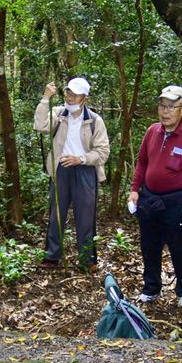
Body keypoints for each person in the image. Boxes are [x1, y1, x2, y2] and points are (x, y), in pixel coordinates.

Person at [129, 85, 182, 307]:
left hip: (178, 201)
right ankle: (151, 288)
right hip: (149, 198)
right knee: (149, 245)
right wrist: (135, 189)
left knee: (179, 246)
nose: (165, 111)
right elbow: (142, 162)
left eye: (172, 106)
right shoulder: (153, 131)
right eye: (162, 105)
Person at [34, 77, 110, 271]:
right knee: (56, 214)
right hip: (61, 169)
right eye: (68, 93)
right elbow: (40, 126)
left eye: (75, 95)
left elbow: (103, 151)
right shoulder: (59, 114)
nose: (70, 97)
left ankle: (87, 259)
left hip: (85, 171)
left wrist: (81, 158)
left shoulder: (94, 120)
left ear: (84, 98)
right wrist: (45, 98)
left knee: (85, 216)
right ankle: (52, 256)